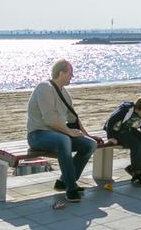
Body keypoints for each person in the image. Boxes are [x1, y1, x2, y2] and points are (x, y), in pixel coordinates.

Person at [27, 59, 97, 202]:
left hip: (59, 134)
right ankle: (71, 188)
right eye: (70, 73)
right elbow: (50, 120)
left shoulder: (64, 93)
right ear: (61, 73)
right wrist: (69, 132)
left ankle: (63, 181)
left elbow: (73, 118)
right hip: (38, 135)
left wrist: (87, 135)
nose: (72, 76)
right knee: (64, 140)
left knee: (90, 144)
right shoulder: (44, 88)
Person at [110, 96, 141, 185]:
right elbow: (111, 122)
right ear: (138, 108)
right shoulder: (126, 110)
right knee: (136, 143)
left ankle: (138, 168)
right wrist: (110, 137)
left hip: (128, 129)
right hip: (116, 131)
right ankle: (136, 173)